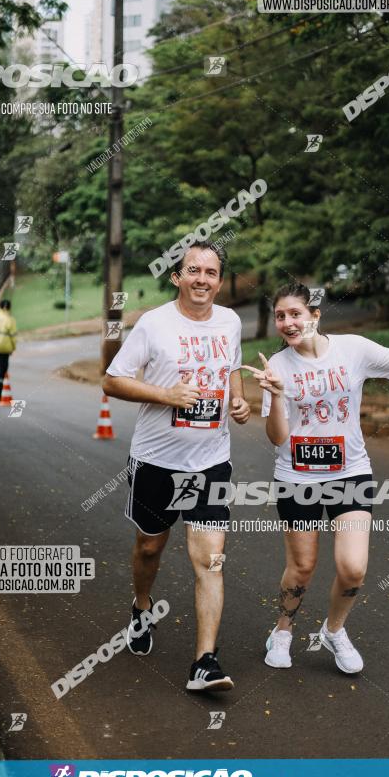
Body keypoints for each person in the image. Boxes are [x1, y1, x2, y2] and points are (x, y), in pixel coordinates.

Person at [243, 282, 389, 674]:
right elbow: (277, 437)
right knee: (303, 566)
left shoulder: (353, 349)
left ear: (315, 315)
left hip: (350, 472)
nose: (288, 323)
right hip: (297, 477)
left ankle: (333, 629)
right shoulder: (276, 367)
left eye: (295, 314)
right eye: (280, 316)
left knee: (353, 568)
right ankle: (283, 631)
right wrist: (276, 396)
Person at [102, 242, 250, 692]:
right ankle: (141, 606)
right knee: (150, 548)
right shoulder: (154, 324)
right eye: (193, 271)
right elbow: (112, 380)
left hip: (210, 463)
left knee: (210, 560)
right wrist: (166, 395)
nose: (202, 279)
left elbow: (232, 370)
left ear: (219, 281)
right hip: (156, 461)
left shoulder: (231, 322)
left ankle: (204, 661)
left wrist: (239, 401)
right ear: (177, 277)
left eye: (210, 272)